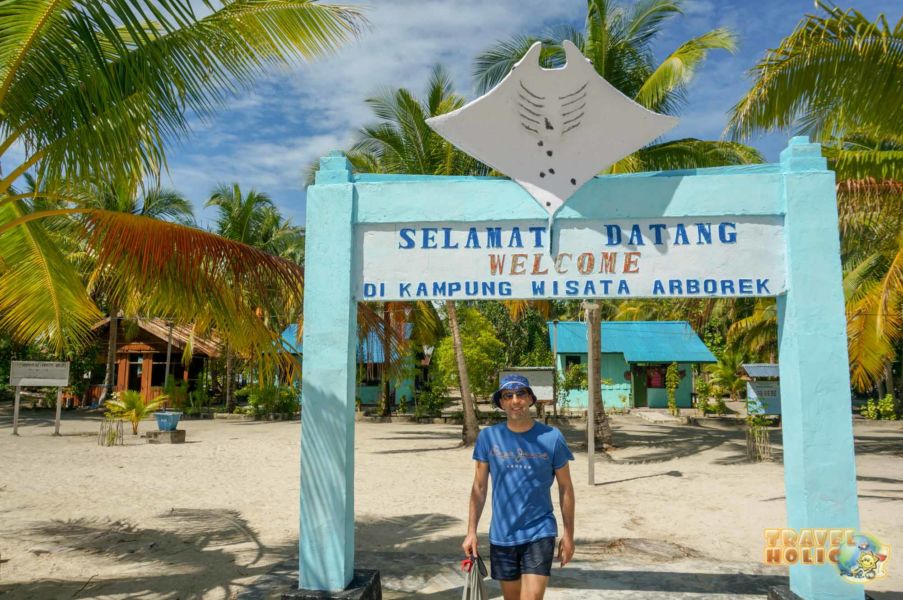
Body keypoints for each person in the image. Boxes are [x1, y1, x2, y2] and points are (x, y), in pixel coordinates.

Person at [462, 374, 575, 600]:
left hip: (540, 531)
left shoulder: (552, 437)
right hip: (502, 535)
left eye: (521, 394)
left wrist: (569, 534)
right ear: (501, 403)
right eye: (508, 395)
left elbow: (566, 488)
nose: (515, 400)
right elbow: (479, 488)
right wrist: (471, 532)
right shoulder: (488, 437)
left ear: (531, 399)